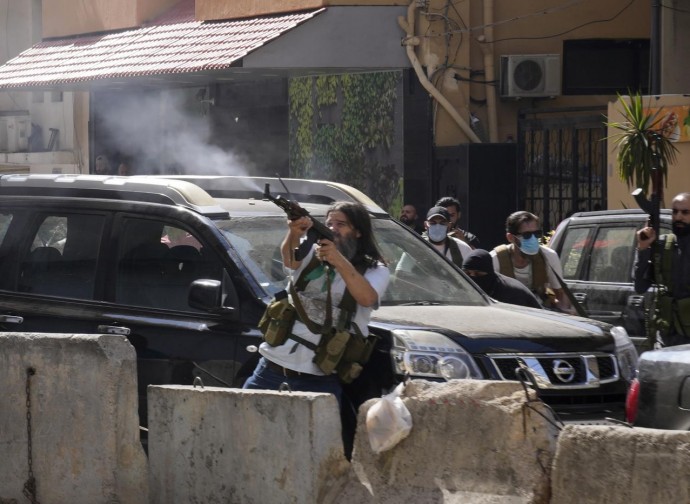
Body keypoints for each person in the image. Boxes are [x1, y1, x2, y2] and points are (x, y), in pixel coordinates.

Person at [243, 201, 390, 406]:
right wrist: (294, 233)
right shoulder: (313, 252)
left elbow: (367, 298)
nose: (333, 229)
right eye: (329, 223)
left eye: (341, 224)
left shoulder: (375, 269)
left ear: (358, 231)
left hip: (320, 378)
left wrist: (338, 260)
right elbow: (290, 262)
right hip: (273, 367)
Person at [634, 192, 690, 348]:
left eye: (685, 212)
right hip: (666, 339)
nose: (678, 217)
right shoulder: (663, 247)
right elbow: (640, 286)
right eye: (675, 211)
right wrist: (644, 248)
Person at [491, 211, 574, 314]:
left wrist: (564, 309)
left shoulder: (548, 256)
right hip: (506, 313)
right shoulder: (495, 259)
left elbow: (560, 293)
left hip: (539, 312)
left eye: (537, 234)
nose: (533, 239)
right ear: (511, 237)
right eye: (527, 235)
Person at [462, 249, 542, 309]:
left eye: (478, 274)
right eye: (467, 273)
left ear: (489, 273)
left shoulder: (511, 293)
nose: (472, 278)